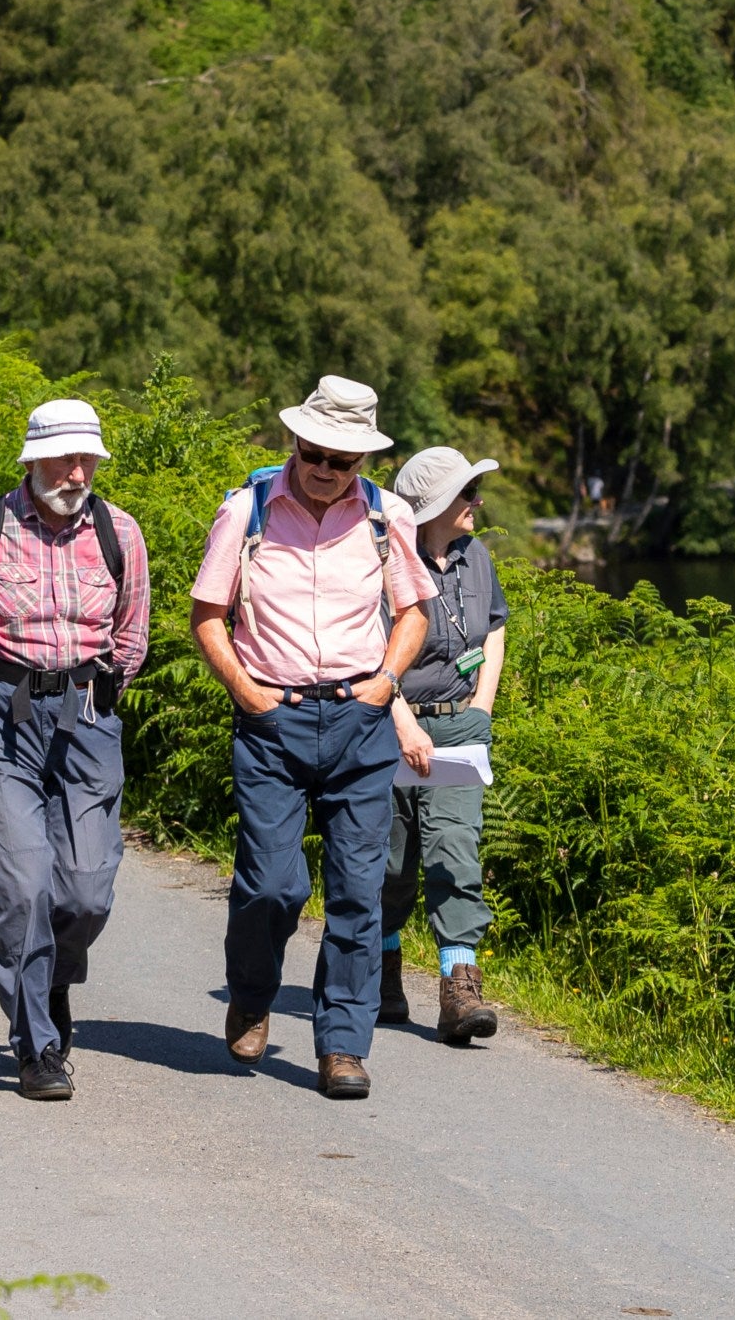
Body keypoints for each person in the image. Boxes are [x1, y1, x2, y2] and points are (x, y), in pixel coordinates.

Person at [189, 375, 434, 1100]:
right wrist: (246, 692)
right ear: (295, 440)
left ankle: (343, 1046)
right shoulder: (248, 510)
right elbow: (208, 613)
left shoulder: (389, 518)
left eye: (340, 459)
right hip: (274, 720)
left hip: (360, 722)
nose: (323, 468)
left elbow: (414, 611)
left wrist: (385, 682)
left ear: (362, 461)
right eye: (313, 451)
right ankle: (254, 994)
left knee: (360, 890)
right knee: (271, 884)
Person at [0, 399, 150, 1102]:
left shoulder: (121, 531)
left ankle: (55, 975)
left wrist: (98, 689)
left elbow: (133, 633)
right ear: (30, 460)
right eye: (63, 456)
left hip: (88, 714)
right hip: (0, 716)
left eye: (87, 456)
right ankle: (36, 1042)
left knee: (87, 889)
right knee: (23, 880)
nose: (76, 469)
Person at [379, 447, 506, 1045]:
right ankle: (380, 969)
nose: (476, 503)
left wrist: (481, 705)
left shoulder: (476, 556)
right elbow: (370, 652)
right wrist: (403, 720)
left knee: (456, 848)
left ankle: (459, 984)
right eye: (466, 494)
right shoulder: (386, 564)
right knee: (391, 863)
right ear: (431, 508)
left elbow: (496, 627)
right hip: (391, 725)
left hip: (459, 729)